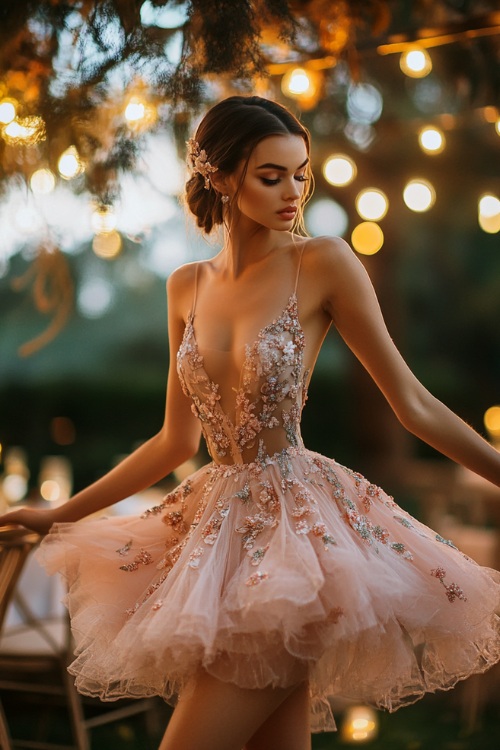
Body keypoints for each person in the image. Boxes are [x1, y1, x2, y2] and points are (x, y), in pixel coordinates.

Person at [1, 95, 499, 750]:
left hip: (299, 539)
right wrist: (61, 512)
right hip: (214, 533)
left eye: (301, 173)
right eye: (272, 176)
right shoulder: (186, 286)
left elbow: (414, 403)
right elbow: (172, 441)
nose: (293, 191)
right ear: (222, 176)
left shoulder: (322, 262)